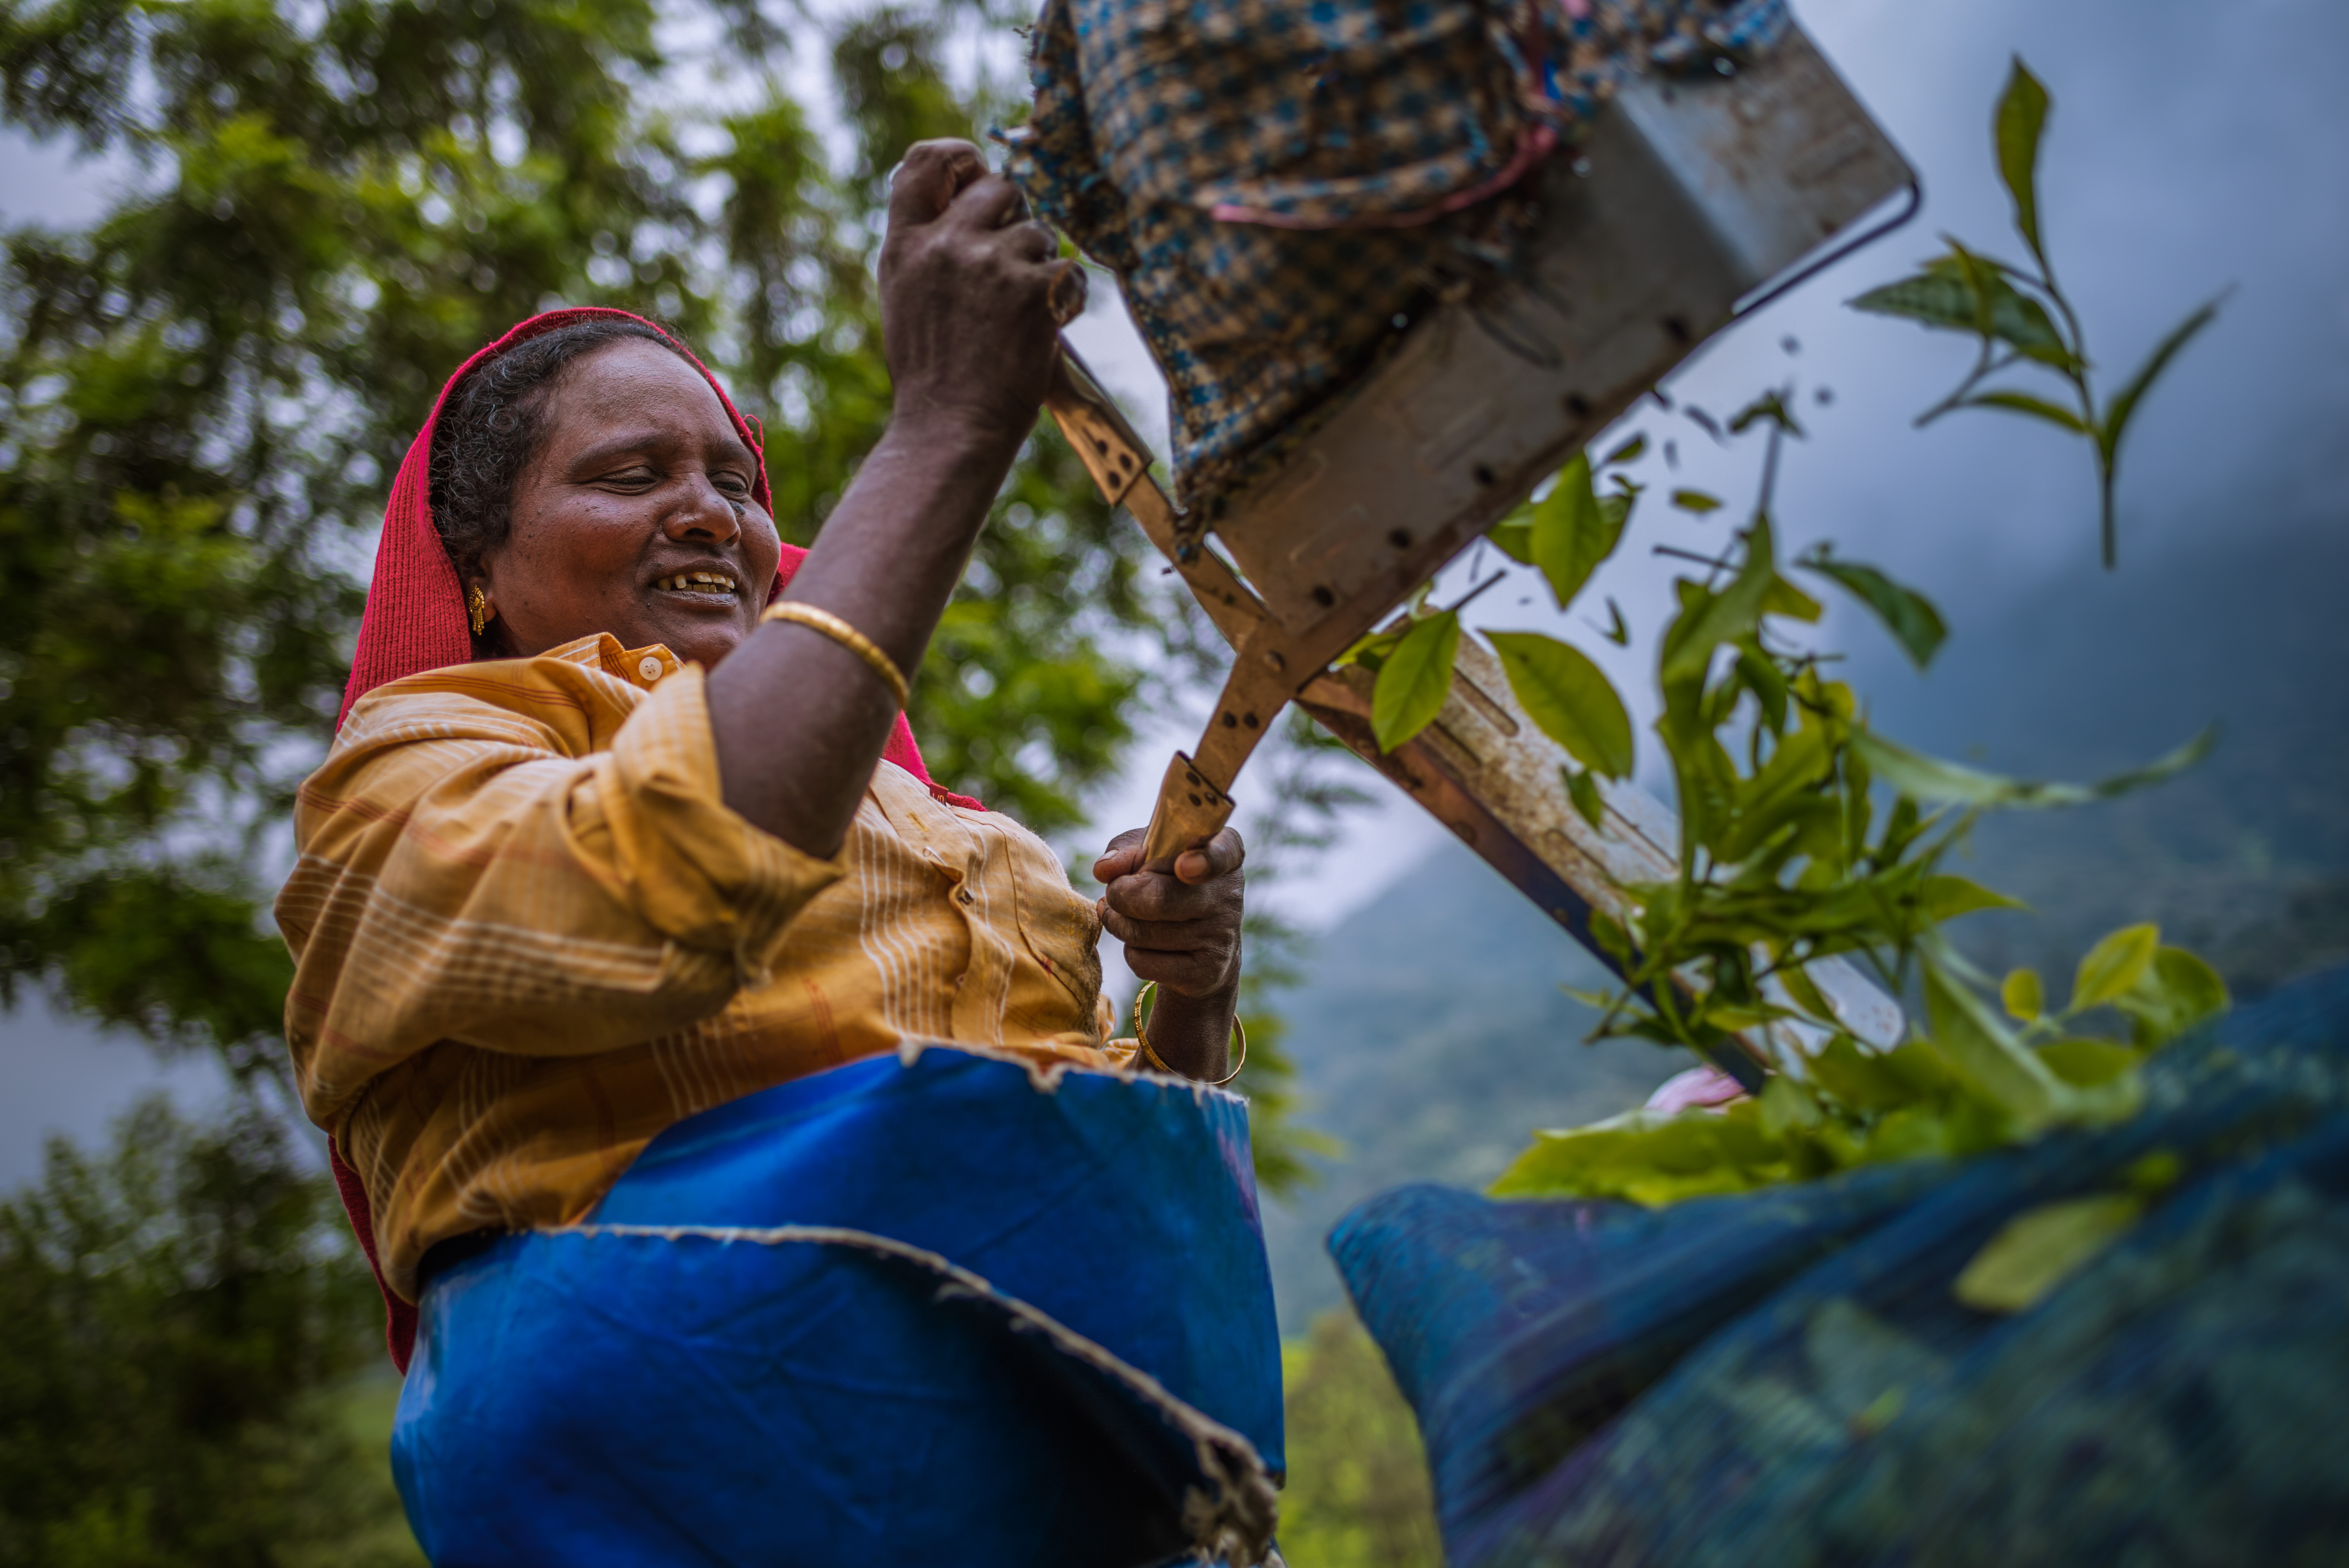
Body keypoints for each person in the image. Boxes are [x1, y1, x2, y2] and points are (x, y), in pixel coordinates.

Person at [275, 140, 1284, 1567]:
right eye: (632, 474)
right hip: (694, 1493)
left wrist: (1190, 993)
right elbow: (668, 878)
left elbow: (1099, 1189)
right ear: (479, 570)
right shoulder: (416, 771)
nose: (711, 510)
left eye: (735, 483)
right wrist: (941, 429)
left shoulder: (960, 836)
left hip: (1077, 1500)